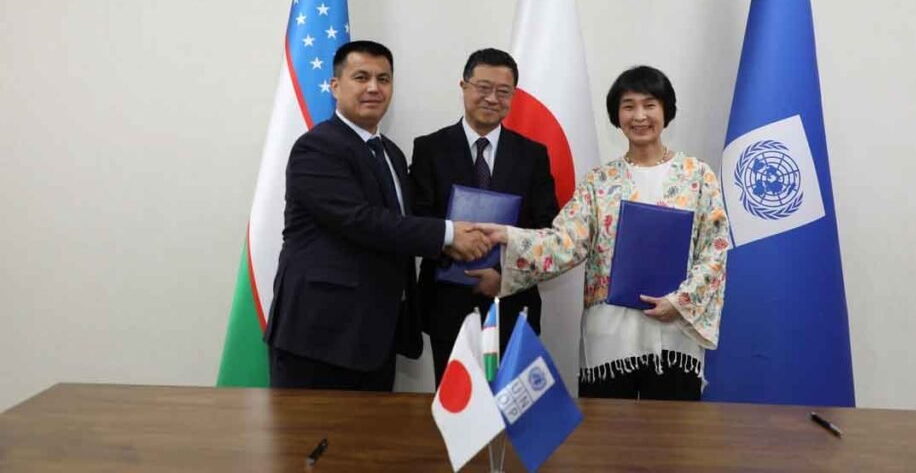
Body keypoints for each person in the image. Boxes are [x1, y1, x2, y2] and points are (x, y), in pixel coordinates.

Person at [478, 65, 731, 400]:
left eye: (649, 105)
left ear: (666, 110)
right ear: (616, 115)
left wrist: (681, 301)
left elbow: (715, 248)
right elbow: (565, 241)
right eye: (628, 106)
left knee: (670, 431)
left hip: (674, 333)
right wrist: (510, 238)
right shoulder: (599, 182)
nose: (639, 116)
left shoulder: (697, 175)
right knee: (607, 431)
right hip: (610, 338)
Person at [263, 40, 492, 391]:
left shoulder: (392, 154)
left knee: (370, 429)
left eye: (383, 79)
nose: (374, 87)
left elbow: (403, 224)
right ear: (335, 86)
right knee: (308, 429)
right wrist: (448, 235)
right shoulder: (317, 146)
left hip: (375, 336)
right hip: (319, 336)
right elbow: (361, 220)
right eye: (361, 77)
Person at [412, 48, 558, 387]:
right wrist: (452, 244)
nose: (492, 98)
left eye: (503, 91)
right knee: (456, 406)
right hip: (446, 306)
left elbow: (546, 226)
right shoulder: (429, 148)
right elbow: (418, 218)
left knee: (511, 407)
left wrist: (503, 274)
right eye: (483, 87)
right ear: (463, 86)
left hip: (512, 304)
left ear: (513, 96)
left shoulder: (533, 154)